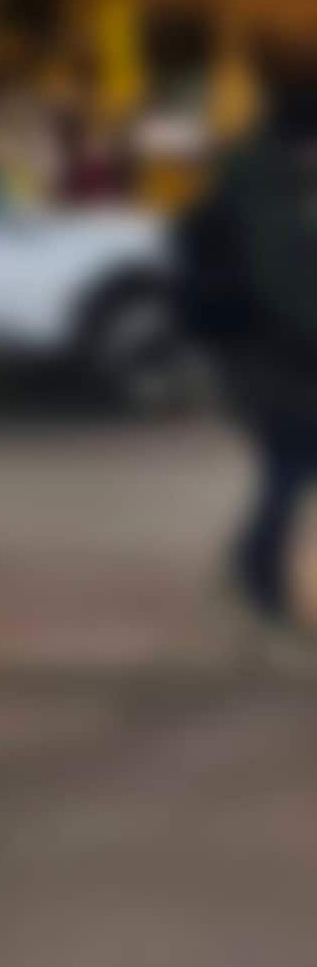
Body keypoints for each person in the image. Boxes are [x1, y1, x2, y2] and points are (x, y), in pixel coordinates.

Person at [178, 51, 317, 630]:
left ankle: (253, 566)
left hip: (257, 352)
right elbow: (286, 284)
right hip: (270, 356)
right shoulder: (268, 190)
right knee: (293, 462)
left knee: (289, 464)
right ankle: (258, 575)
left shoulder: (256, 174)